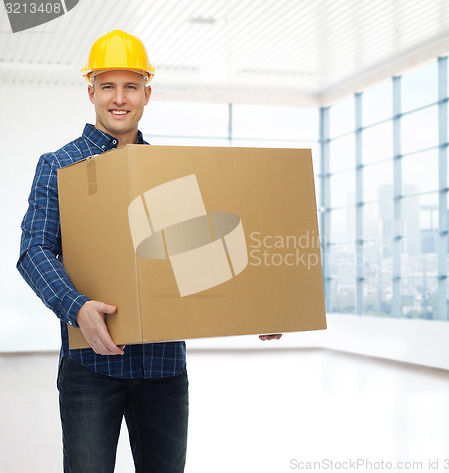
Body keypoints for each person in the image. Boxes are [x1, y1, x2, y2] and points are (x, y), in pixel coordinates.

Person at [17, 29, 281, 473]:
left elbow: (198, 263)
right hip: (90, 366)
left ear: (146, 92)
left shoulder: (167, 172)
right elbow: (34, 250)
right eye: (108, 86)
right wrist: (76, 307)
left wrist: (254, 308)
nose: (119, 98)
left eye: (131, 87)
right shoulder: (59, 165)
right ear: (91, 91)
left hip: (163, 369)